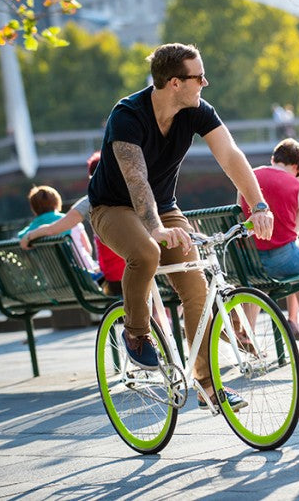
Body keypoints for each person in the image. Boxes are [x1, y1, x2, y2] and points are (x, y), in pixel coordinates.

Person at [87, 42, 273, 412]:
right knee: (145, 252)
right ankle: (136, 334)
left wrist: (259, 204)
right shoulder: (127, 115)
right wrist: (154, 228)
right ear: (174, 83)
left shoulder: (196, 111)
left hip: (165, 207)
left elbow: (230, 154)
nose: (206, 82)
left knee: (196, 288)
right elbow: (137, 182)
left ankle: (206, 383)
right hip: (112, 207)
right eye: (198, 76)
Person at [238, 138, 299, 348]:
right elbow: (295, 233)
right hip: (285, 261)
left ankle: (248, 331)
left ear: (274, 159)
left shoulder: (248, 177)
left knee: (259, 278)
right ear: (296, 167)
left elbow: (240, 220)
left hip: (251, 264)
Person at [20, 152, 125, 296]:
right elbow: (86, 249)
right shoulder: (133, 195)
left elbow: (50, 230)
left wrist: (29, 236)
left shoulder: (89, 202)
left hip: (108, 278)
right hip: (143, 265)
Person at [17, 185, 102, 281]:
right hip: (85, 276)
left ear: (33, 209)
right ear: (57, 202)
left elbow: (21, 240)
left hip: (55, 281)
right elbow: (88, 249)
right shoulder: (71, 221)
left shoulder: (31, 230)